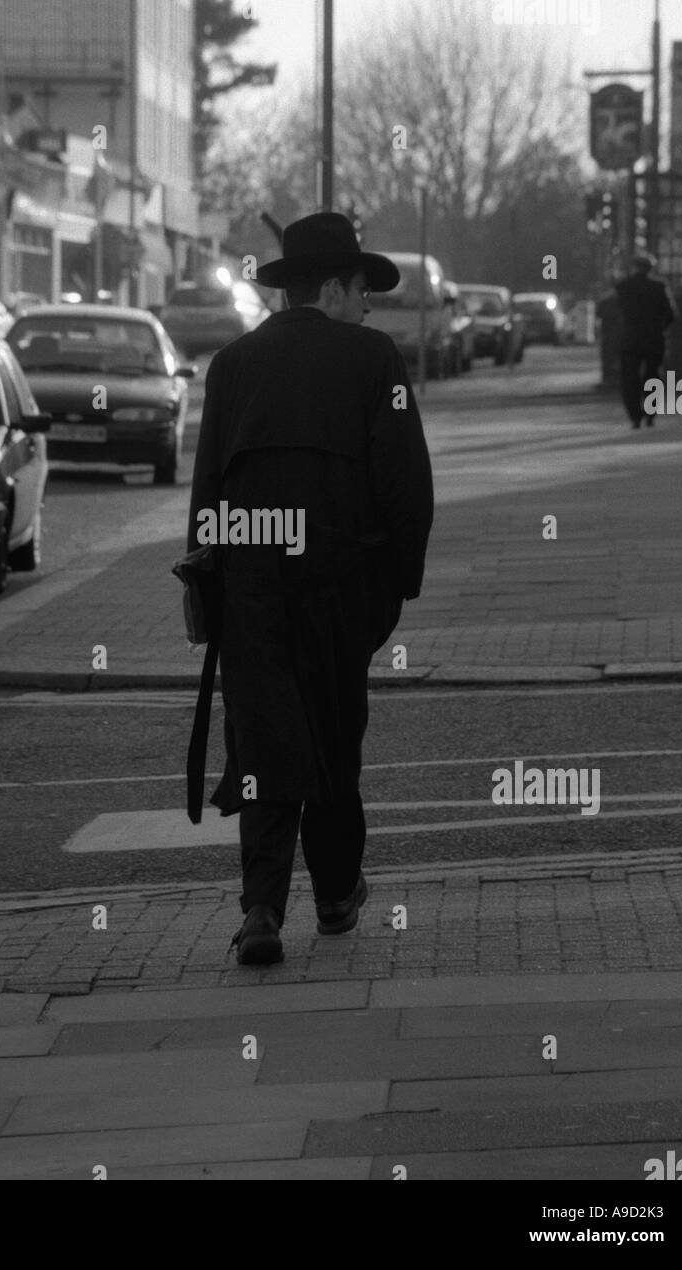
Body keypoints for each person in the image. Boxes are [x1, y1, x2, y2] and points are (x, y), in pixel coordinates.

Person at [186, 211, 434, 966]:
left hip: (251, 586)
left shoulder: (230, 366)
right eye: (362, 291)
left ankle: (261, 910)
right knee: (331, 740)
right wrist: (398, 584)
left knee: (262, 743)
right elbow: (405, 483)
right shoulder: (373, 359)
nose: (367, 307)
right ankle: (333, 896)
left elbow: (206, 489)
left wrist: (207, 584)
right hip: (339, 582)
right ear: (330, 288)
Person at [615, 253, 676, 429]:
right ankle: (650, 413)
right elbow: (671, 314)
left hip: (630, 339)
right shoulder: (659, 287)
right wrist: (660, 327)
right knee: (653, 376)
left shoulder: (623, 287)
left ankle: (635, 416)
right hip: (654, 338)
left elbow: (614, 313)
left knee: (629, 379)